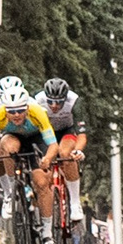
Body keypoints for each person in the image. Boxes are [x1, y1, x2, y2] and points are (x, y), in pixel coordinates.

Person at [0, 79, 63, 244]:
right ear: (5, 109)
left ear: (27, 107)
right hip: (12, 138)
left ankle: (47, 236)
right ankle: (11, 191)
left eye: (21, 110)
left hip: (35, 140)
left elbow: (53, 145)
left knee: (41, 183)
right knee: (6, 147)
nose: (16, 115)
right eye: (12, 111)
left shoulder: (37, 112)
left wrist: (47, 159)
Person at [35, 76, 91, 233]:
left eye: (59, 102)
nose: (54, 105)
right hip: (46, 134)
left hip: (67, 132)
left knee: (66, 154)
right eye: (51, 101)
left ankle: (74, 202)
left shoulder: (74, 101)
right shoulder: (38, 100)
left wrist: (78, 151)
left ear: (65, 98)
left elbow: (82, 135)